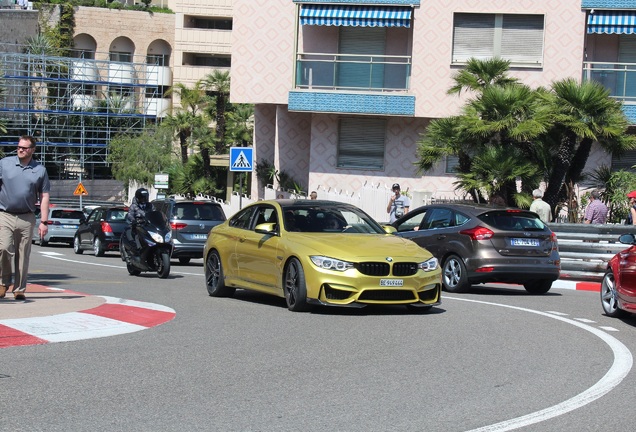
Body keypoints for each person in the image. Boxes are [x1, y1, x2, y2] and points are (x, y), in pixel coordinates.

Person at [0, 135, 51, 301]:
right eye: (19, 147)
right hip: (5, 214)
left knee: (23, 253)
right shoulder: (4, 164)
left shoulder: (40, 170)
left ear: (32, 150)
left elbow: (44, 196)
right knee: (4, 248)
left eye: (25, 147)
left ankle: (19, 289)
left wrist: (44, 221)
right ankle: (3, 282)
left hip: (27, 217)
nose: (20, 150)